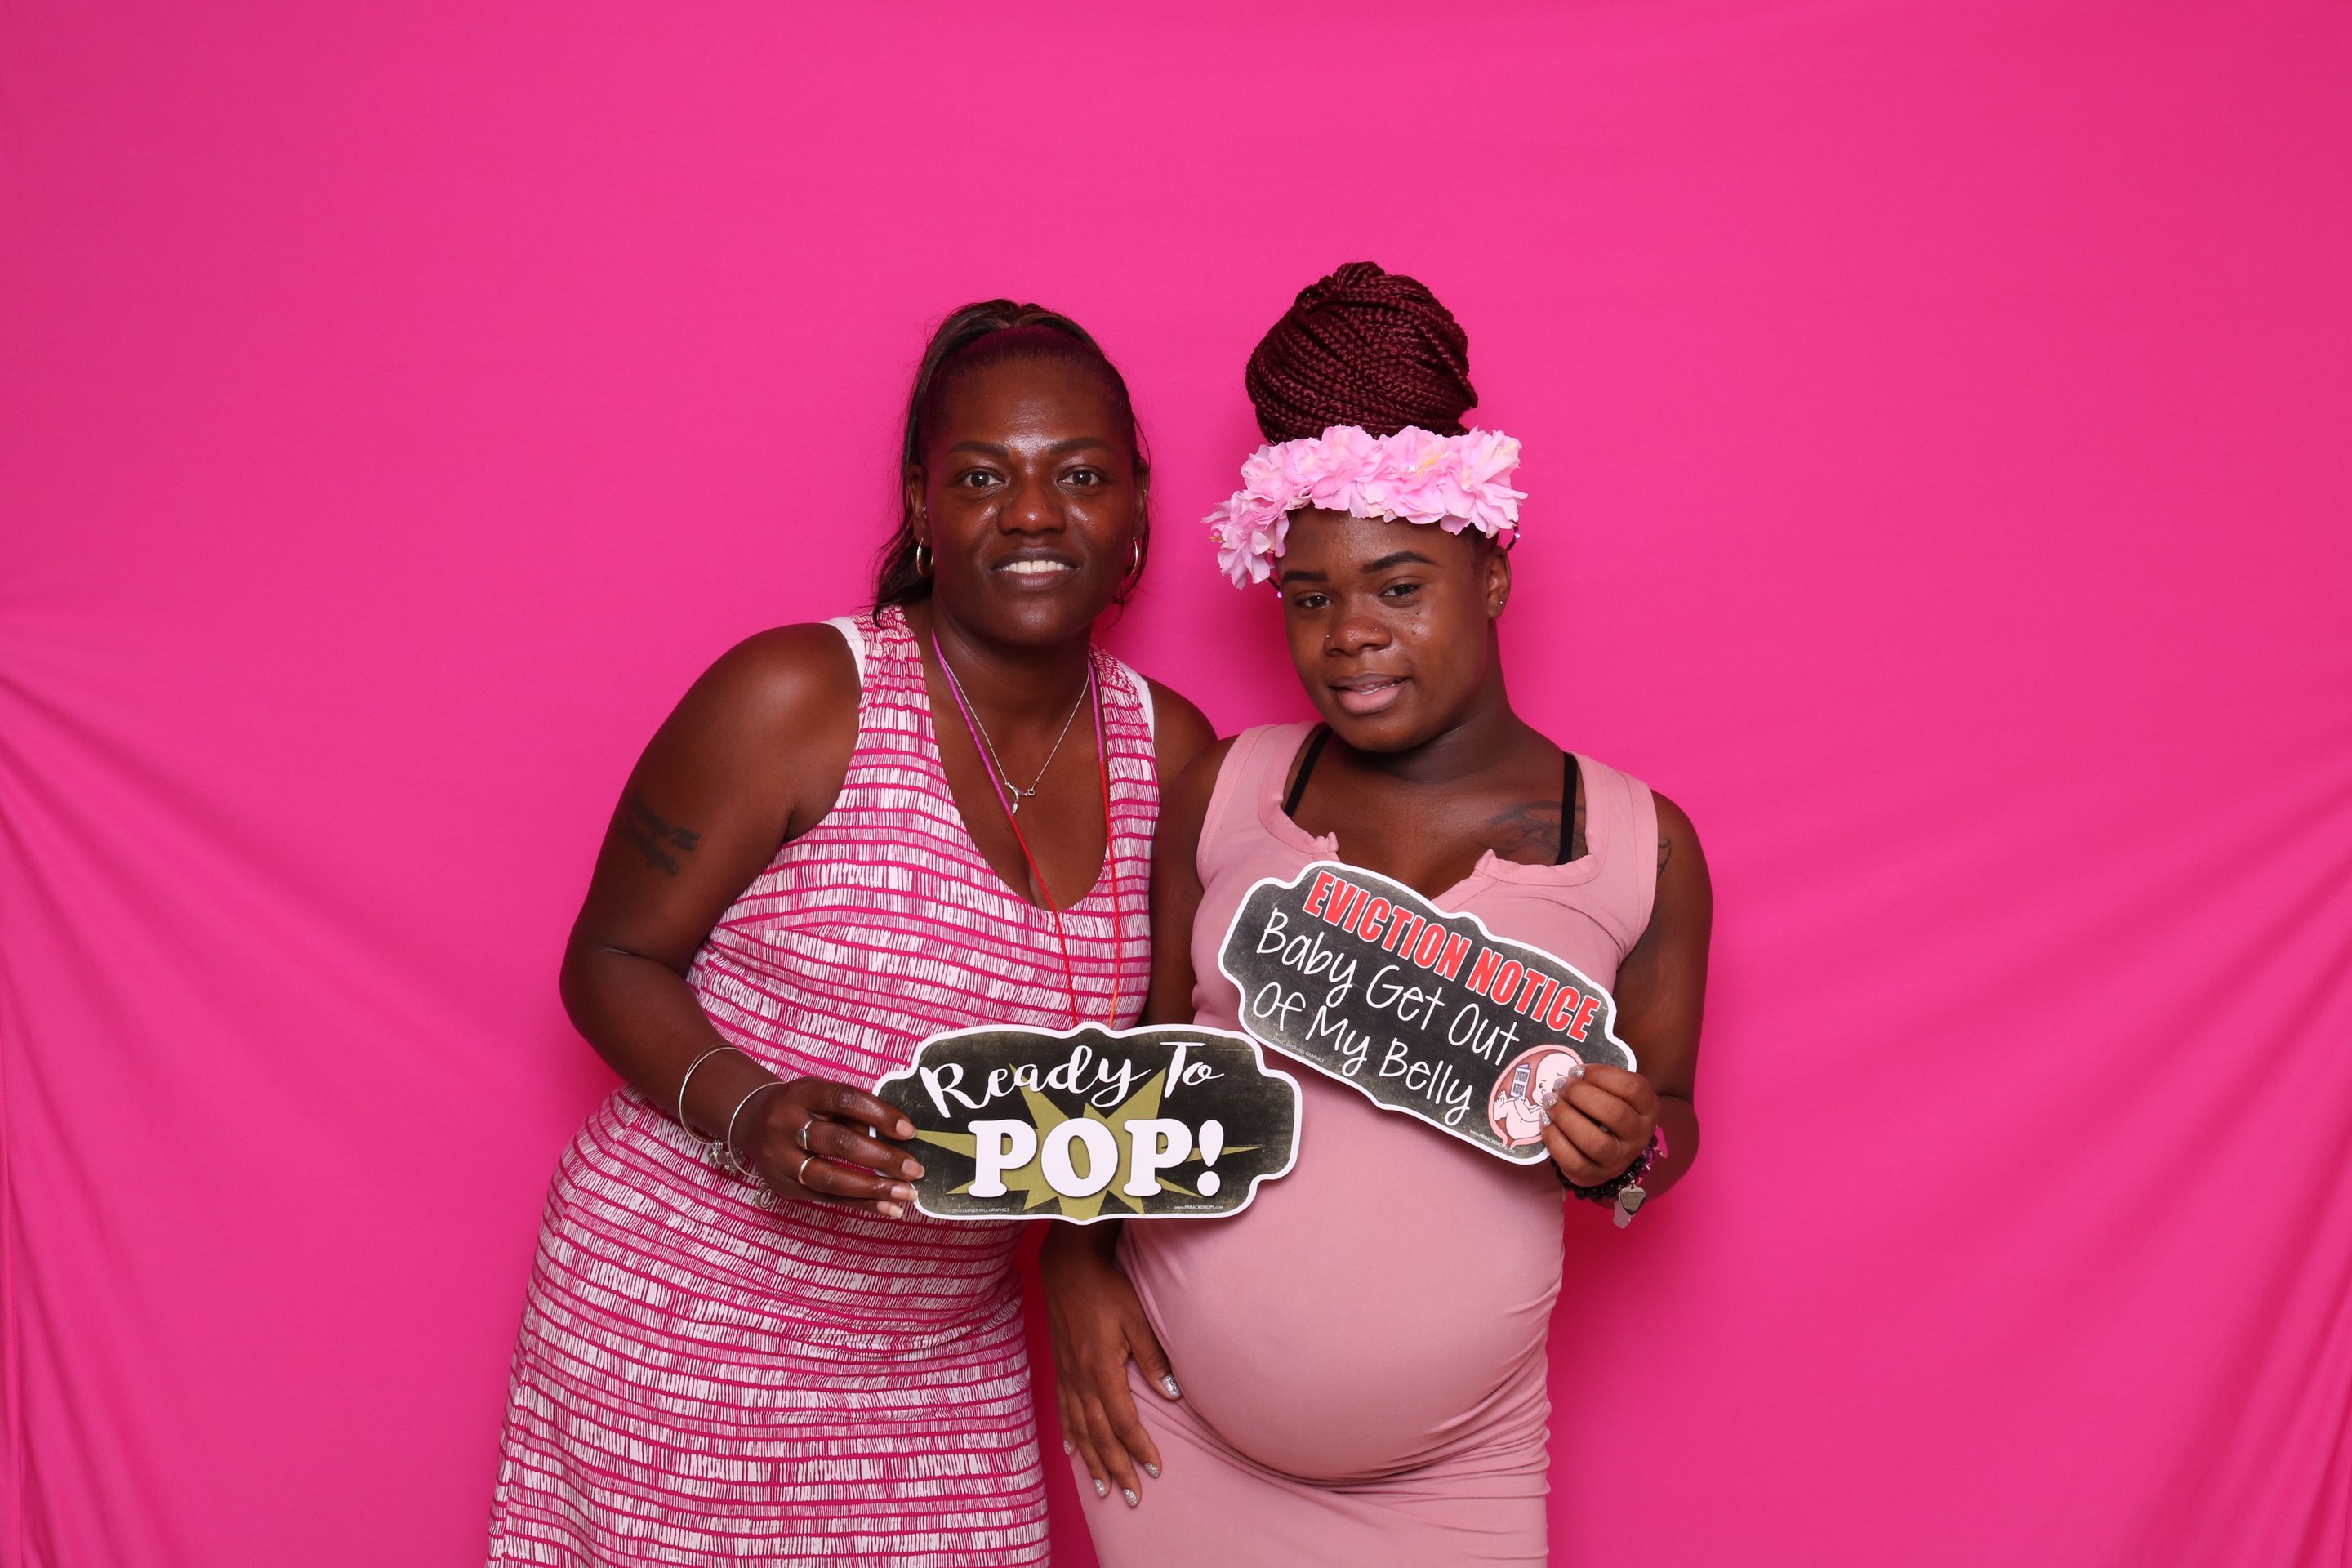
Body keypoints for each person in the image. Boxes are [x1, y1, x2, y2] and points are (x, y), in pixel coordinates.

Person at [487, 301, 1214, 1566]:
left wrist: (1081, 1259)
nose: (1032, 514)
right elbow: (609, 960)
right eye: (981, 477)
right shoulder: (799, 695)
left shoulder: (1173, 750)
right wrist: (748, 1109)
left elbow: (1151, 1067)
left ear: (1137, 510)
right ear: (923, 506)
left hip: (944, 1359)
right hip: (684, 1332)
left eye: (1080, 476)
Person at [1040, 263, 1713, 1565]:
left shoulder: (1642, 847)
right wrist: (1073, 1273)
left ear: (1492, 580)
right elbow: (1128, 1066)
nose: (1348, 634)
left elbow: (1669, 1121)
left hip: (1455, 1476)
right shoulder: (1226, 788)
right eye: (1311, 597)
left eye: (1400, 587)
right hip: (1166, 1431)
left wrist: (1627, 1144)